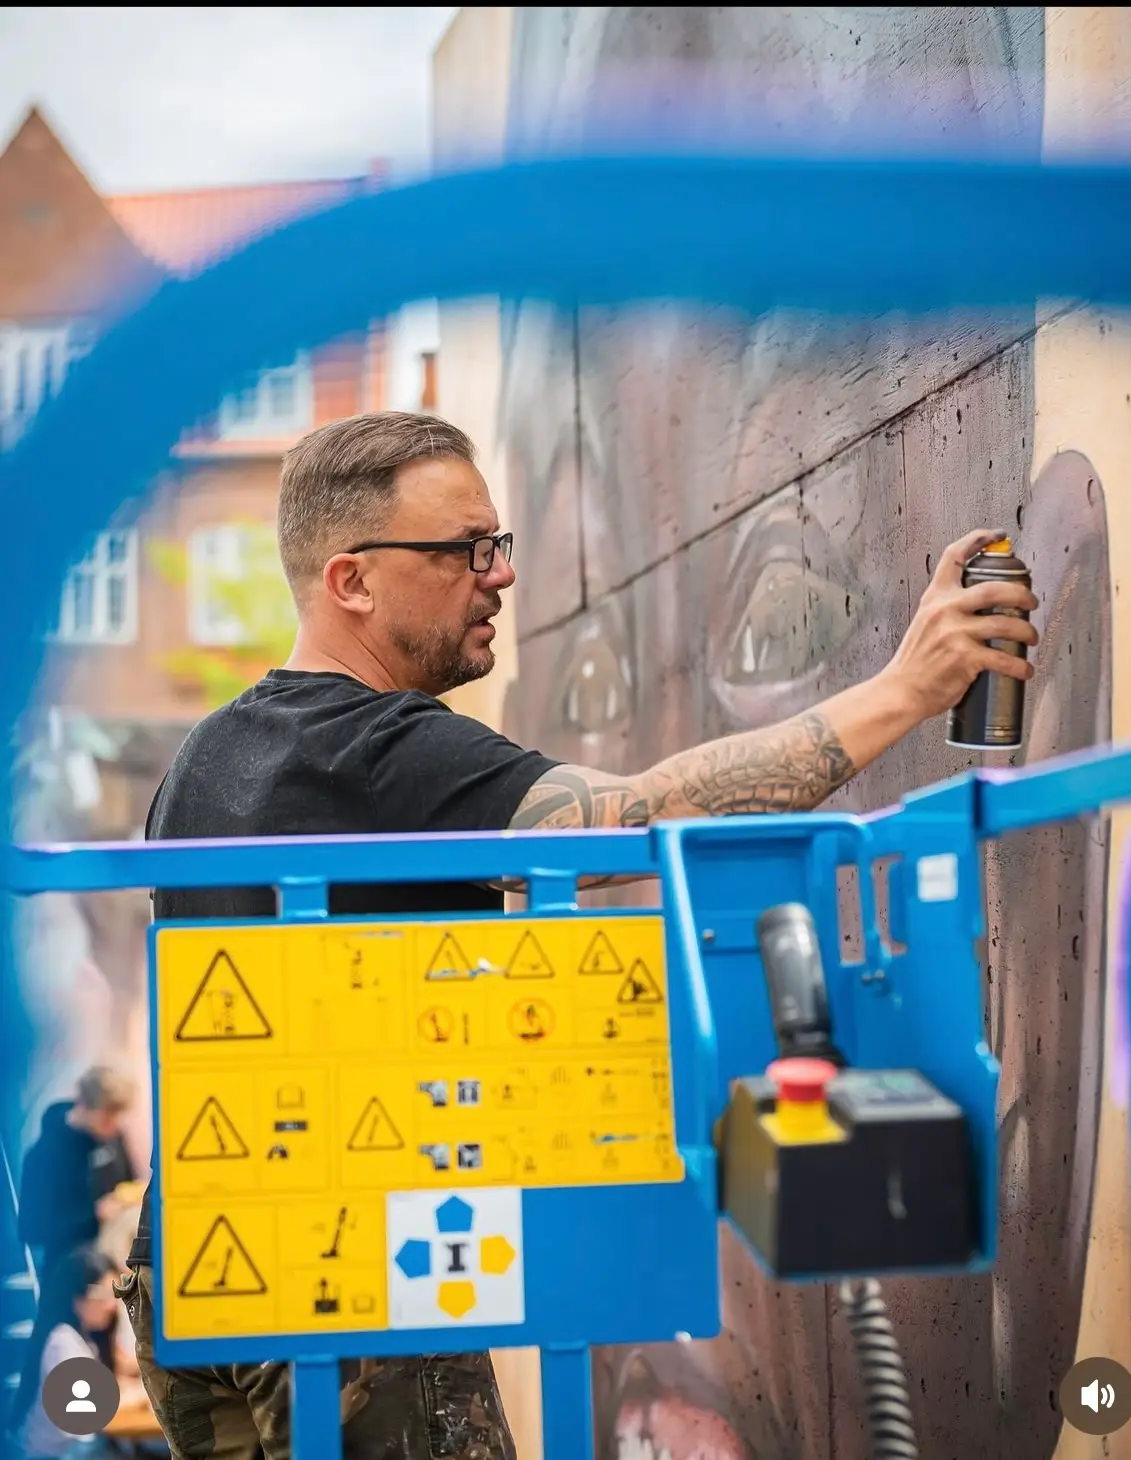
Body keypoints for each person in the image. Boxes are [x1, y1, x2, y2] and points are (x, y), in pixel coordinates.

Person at [118, 410, 1037, 1459]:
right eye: (464, 549)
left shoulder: (207, 755)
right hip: (344, 1276)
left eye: (497, 543)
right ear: (352, 581)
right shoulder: (376, 749)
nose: (498, 574)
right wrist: (907, 688)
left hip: (192, 1261)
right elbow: (636, 820)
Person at [19, 1067, 136, 1282]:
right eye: (107, 1117)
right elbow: (31, 1230)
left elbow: (127, 1185)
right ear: (83, 1106)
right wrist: (95, 1215)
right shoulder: (43, 1155)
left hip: (114, 1272)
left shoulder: (114, 1138)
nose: (114, 1126)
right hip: (67, 1278)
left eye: (118, 1117)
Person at [6, 1244, 120, 1459]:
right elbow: (87, 1414)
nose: (112, 1305)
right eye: (104, 1295)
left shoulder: (81, 1338)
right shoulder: (63, 1345)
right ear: (76, 1299)